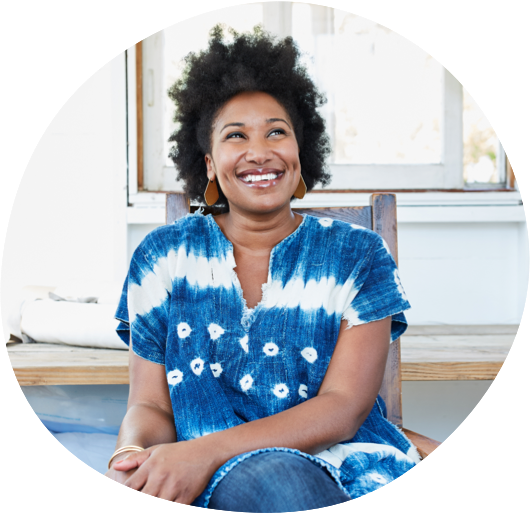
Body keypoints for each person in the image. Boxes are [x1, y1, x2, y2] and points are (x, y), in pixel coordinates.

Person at [105, 25, 419, 510]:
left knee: (280, 480)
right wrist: (131, 454)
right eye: (236, 135)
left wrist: (204, 452)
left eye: (277, 132)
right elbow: (149, 405)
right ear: (210, 165)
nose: (260, 152)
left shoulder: (359, 255)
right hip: (205, 478)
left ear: (300, 153)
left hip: (344, 464)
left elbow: (344, 408)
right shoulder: (161, 257)